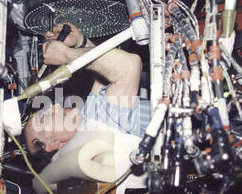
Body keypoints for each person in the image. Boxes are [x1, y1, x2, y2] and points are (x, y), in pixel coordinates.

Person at [24, 23, 151, 158]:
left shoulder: (86, 121)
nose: (54, 107)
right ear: (52, 144)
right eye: (44, 118)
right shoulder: (95, 135)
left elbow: (102, 76)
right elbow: (128, 66)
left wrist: (80, 42)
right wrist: (66, 55)